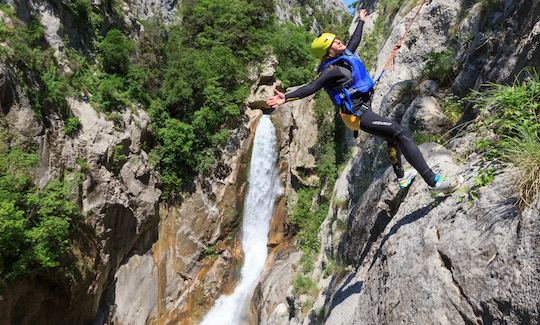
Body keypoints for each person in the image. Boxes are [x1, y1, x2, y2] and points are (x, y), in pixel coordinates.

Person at [266, 9, 461, 197]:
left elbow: (355, 40)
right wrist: (286, 97)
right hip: (357, 115)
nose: (337, 41)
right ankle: (433, 183)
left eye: (336, 39)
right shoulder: (330, 70)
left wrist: (361, 21)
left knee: (392, 137)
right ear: (327, 52)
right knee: (401, 133)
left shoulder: (345, 56)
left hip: (363, 108)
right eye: (332, 43)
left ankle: (402, 177)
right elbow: (311, 87)